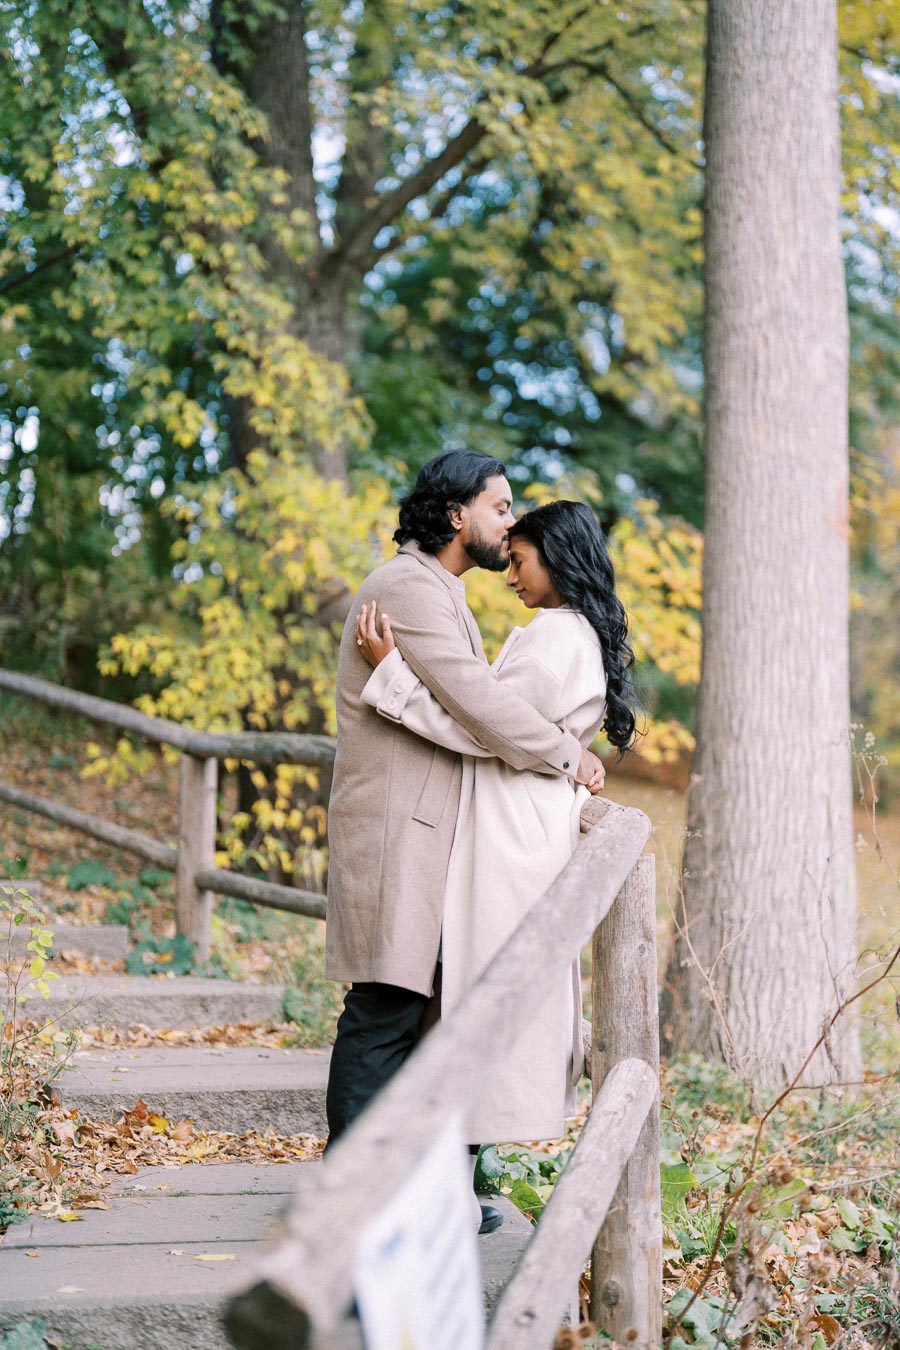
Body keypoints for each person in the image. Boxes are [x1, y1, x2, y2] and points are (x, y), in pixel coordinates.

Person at [324, 454, 606, 1232]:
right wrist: (564, 752)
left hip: (427, 836)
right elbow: (480, 704)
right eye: (501, 507)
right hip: (396, 835)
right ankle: (346, 1218)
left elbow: (471, 709)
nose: (511, 523)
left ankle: (425, 1199)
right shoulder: (408, 588)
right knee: (382, 1015)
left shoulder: (444, 592)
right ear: (457, 515)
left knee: (416, 1021)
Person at [354, 500, 636, 1146]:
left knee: (486, 989)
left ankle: (453, 1169)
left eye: (520, 561)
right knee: (478, 991)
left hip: (514, 828)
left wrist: (393, 678)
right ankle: (449, 1173)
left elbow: (488, 731)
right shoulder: (566, 632)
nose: (510, 576)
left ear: (559, 559)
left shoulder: (557, 638)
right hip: (519, 817)